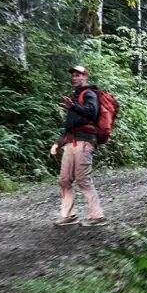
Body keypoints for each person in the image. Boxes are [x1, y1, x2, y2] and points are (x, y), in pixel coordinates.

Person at [49, 65, 107, 227]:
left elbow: (92, 112)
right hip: (70, 143)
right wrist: (57, 143)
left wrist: (73, 106)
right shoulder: (73, 99)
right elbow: (71, 127)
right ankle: (68, 215)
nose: (74, 78)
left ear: (85, 77)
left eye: (78, 75)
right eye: (73, 75)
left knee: (82, 179)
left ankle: (97, 216)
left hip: (85, 142)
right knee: (64, 179)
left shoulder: (89, 94)